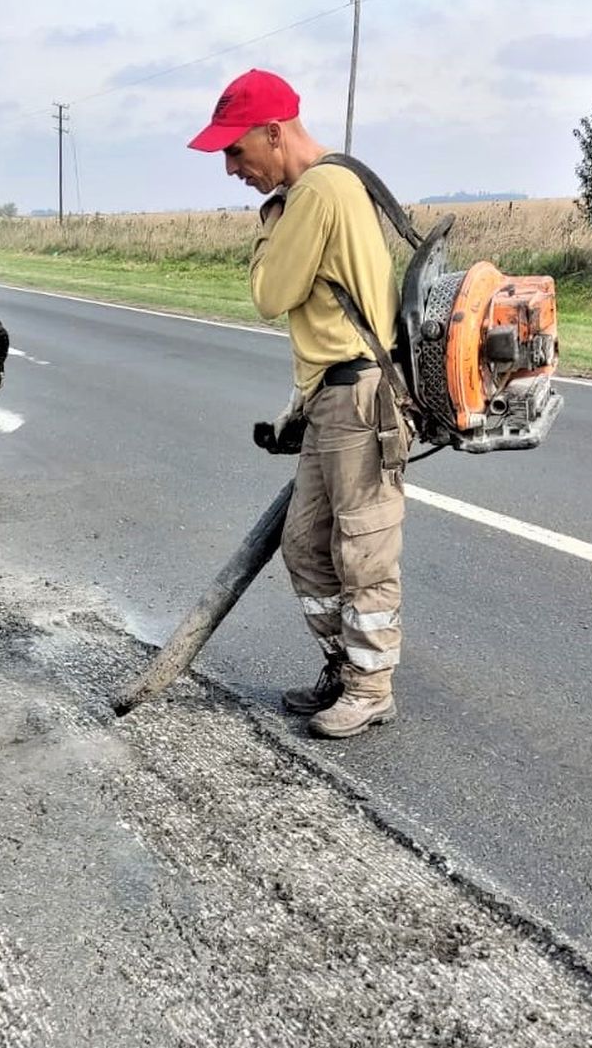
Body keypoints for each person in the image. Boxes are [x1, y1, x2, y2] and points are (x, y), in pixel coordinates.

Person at [187, 69, 407, 738]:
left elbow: (269, 292)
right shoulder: (328, 185)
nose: (230, 167)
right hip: (329, 397)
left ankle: (370, 688)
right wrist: (299, 402)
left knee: (361, 548)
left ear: (275, 133)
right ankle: (344, 671)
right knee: (306, 542)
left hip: (358, 397)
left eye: (236, 149)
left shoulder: (315, 192)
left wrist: (268, 220)